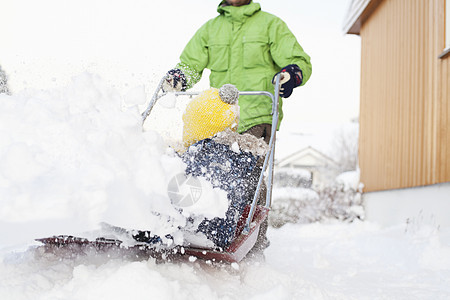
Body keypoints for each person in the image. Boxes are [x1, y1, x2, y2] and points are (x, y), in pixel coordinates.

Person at [163, 0, 312, 255]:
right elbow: (190, 64)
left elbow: (299, 61)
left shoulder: (270, 25)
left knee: (247, 180)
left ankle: (251, 244)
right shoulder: (211, 29)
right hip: (218, 118)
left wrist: (292, 73)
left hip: (256, 114)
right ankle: (196, 229)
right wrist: (179, 77)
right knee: (202, 170)